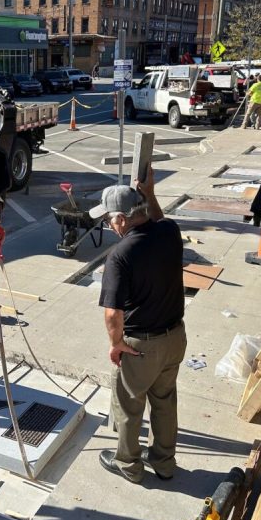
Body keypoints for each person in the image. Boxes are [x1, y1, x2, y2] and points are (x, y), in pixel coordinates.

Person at [89, 166, 187, 484]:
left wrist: (116, 344)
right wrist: (151, 194)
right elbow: (158, 219)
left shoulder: (120, 255)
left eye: (108, 220)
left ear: (121, 219)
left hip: (141, 346)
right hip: (175, 338)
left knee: (129, 407)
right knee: (164, 402)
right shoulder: (169, 232)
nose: (108, 225)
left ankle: (129, 465)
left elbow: (112, 314)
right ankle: (164, 462)